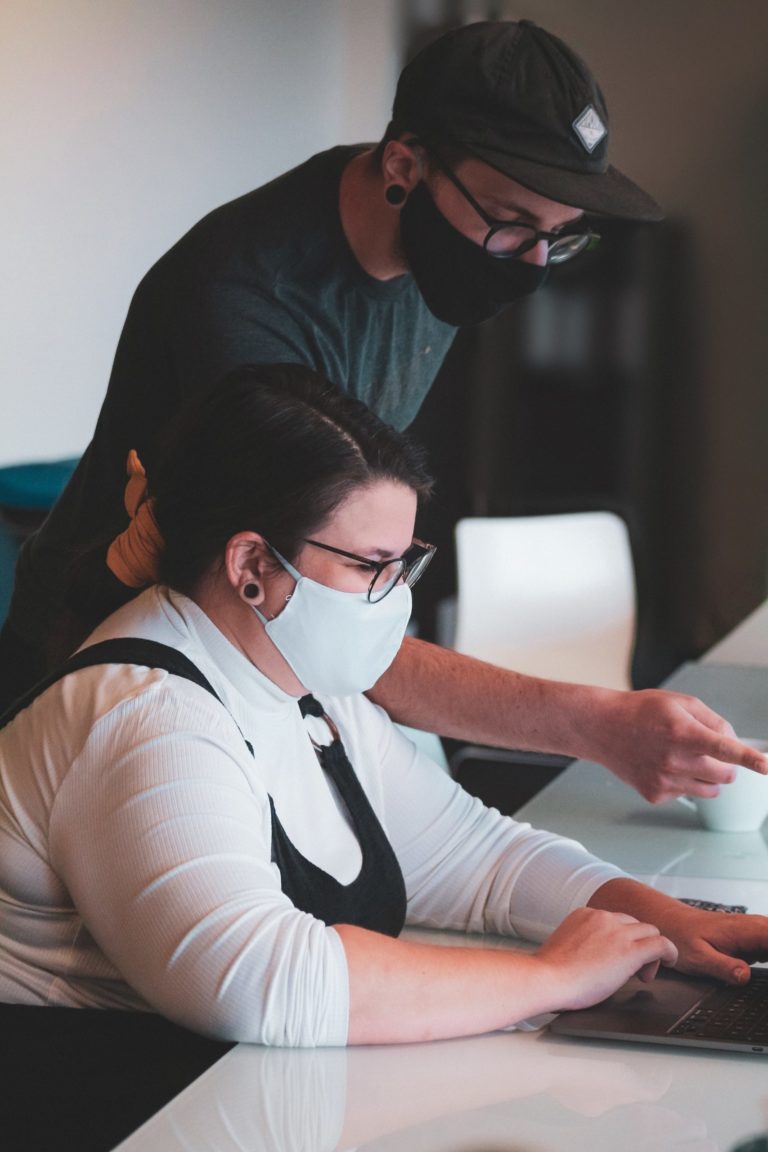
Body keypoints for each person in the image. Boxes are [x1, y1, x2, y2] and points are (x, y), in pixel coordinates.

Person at [0, 20, 764, 802]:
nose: (531, 265)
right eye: (511, 223)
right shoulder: (244, 307)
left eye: (557, 237)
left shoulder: (432, 255)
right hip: (104, 654)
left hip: (258, 648)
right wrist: (598, 723)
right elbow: (322, 624)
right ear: (404, 164)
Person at [1, 363, 766, 1048]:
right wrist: (558, 977)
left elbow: (478, 859)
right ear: (251, 566)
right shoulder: (147, 716)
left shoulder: (305, 685)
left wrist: (665, 918)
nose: (394, 596)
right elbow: (259, 980)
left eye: (404, 563)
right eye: (370, 565)